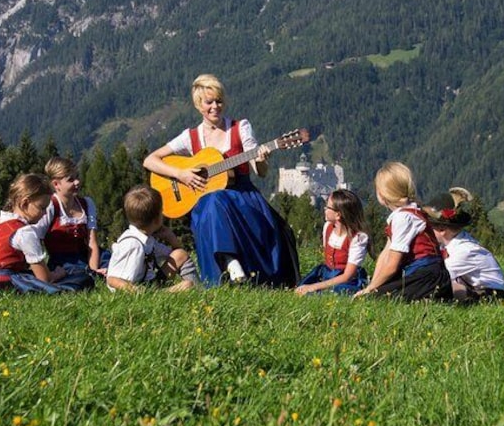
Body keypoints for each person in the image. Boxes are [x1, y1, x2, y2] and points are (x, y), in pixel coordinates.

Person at [142, 73, 300, 288]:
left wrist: (261, 158)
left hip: (243, 197)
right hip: (208, 203)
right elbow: (150, 160)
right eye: (209, 102)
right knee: (212, 201)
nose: (215, 106)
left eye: (219, 101)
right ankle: (229, 264)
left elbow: (259, 171)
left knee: (214, 202)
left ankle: (231, 263)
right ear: (199, 105)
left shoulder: (240, 127)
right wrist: (181, 174)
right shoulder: (190, 136)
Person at [354, 162, 452, 301]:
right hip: (428, 274)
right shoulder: (408, 213)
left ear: (382, 194)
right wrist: (372, 286)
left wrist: (370, 289)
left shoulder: (403, 218)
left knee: (377, 299)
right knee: (374, 294)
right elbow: (385, 255)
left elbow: (392, 264)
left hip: (427, 278)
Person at [0, 173, 82, 293]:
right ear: (24, 203)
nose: (44, 214)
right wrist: (58, 274)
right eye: (42, 208)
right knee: (81, 279)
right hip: (7, 285)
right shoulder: (25, 232)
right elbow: (45, 279)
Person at [105, 185, 199, 293]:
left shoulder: (146, 238)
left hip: (148, 283)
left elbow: (174, 254)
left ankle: (199, 290)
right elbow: (112, 280)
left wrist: (172, 239)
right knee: (187, 285)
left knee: (180, 254)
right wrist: (142, 292)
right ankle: (192, 293)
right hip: (138, 291)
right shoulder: (133, 244)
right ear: (156, 219)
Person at [33, 157, 107, 287]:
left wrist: (93, 269)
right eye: (70, 180)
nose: (77, 182)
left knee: (115, 261)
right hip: (63, 261)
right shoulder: (51, 206)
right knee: (76, 272)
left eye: (77, 177)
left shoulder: (87, 204)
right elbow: (35, 240)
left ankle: (95, 275)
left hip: (87, 255)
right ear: (56, 184)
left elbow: (92, 242)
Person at [423, 188, 504, 302]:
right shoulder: (453, 243)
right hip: (472, 287)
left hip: (490, 295)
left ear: (442, 229)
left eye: (429, 227)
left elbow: (439, 276)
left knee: (437, 286)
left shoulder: (465, 251)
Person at [295, 189, 369, 295]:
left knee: (331, 293)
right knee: (301, 288)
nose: (325, 209)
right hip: (326, 272)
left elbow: (348, 275)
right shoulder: (327, 227)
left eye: (328, 207)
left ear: (338, 215)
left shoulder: (357, 238)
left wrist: (314, 286)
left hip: (346, 280)